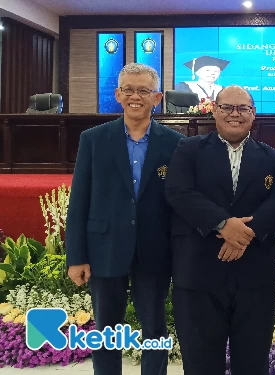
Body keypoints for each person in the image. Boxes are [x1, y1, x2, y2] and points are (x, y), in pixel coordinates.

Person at [66, 63, 185, 375]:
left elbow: (180, 204)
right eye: (129, 90)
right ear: (117, 95)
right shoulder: (93, 140)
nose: (136, 96)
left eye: (144, 90)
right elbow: (79, 201)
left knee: (154, 329)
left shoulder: (175, 143)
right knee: (106, 330)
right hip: (104, 247)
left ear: (157, 97)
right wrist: (76, 257)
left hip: (154, 250)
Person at [165, 85, 275, 375]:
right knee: (200, 362)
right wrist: (224, 225)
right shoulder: (189, 148)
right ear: (215, 111)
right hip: (199, 272)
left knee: (252, 361)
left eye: (243, 108)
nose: (235, 114)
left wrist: (244, 234)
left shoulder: (272, 156)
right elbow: (178, 192)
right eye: (227, 108)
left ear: (253, 114)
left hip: (254, 275)